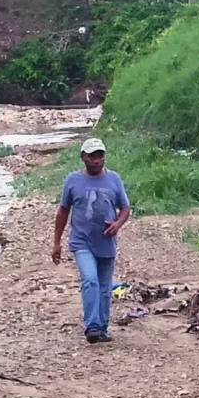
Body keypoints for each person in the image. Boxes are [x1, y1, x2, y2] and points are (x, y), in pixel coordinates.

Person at [52, 138, 132, 343]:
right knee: (90, 279)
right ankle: (92, 326)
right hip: (81, 241)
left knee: (105, 287)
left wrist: (118, 224)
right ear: (83, 157)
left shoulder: (114, 179)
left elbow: (125, 208)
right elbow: (63, 211)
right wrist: (57, 242)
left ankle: (102, 329)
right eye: (92, 156)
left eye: (100, 156)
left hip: (106, 241)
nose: (97, 160)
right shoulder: (72, 180)